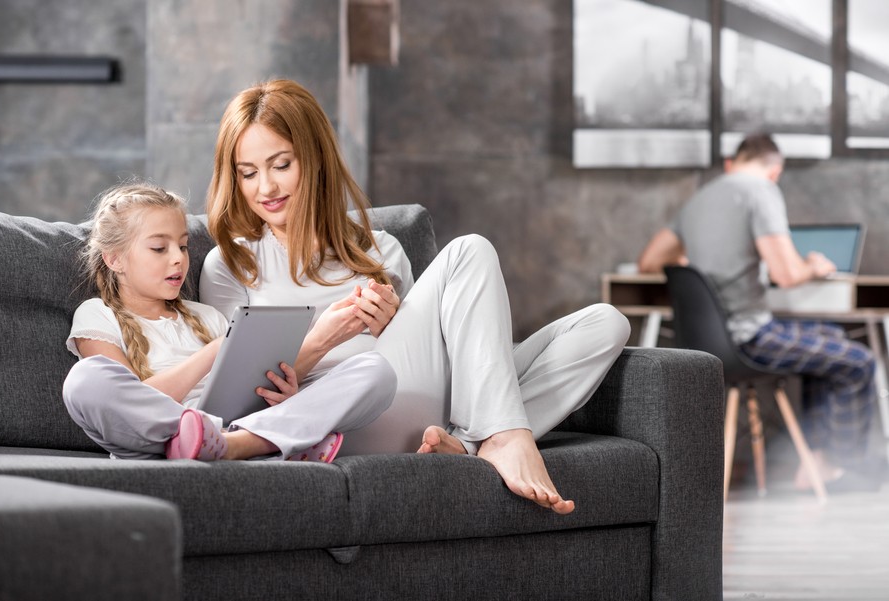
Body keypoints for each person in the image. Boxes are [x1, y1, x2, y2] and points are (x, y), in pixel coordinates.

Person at [200, 79, 631, 514]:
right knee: (469, 249)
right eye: (248, 173)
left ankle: (467, 443)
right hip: (343, 419)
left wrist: (390, 325)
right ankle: (504, 436)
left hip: (435, 409)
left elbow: (431, 351)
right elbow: (228, 408)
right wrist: (322, 339)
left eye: (281, 165)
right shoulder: (230, 264)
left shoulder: (381, 248)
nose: (266, 188)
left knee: (605, 324)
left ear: (314, 160)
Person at [62, 182, 396, 462]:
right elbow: (136, 397)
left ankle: (237, 443)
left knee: (374, 371)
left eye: (182, 246)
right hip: (152, 429)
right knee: (84, 381)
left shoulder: (206, 316)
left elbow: (242, 394)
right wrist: (213, 352)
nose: (178, 258)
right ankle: (256, 440)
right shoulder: (97, 313)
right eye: (159, 248)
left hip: (232, 423)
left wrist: (284, 393)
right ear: (114, 258)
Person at [638, 133, 877, 491]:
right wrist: (813, 266)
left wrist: (696, 266)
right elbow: (786, 274)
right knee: (858, 361)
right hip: (749, 338)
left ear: (732, 162)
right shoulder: (760, 192)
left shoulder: (700, 198)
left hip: (706, 340)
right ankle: (841, 467)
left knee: (829, 340)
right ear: (774, 171)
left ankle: (814, 461)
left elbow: (649, 262)